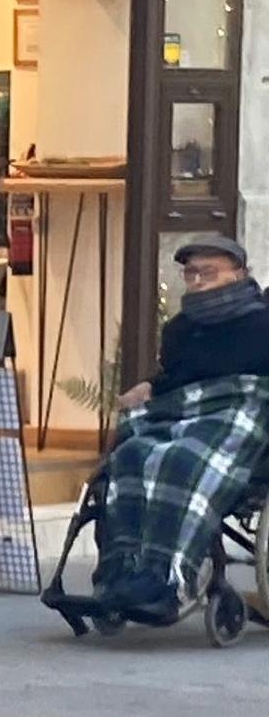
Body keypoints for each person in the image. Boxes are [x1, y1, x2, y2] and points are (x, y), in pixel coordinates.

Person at [99, 237, 269, 622]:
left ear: (239, 273)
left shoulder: (263, 321)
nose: (197, 281)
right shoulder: (179, 329)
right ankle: (123, 571)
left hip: (241, 412)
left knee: (180, 460)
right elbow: (175, 379)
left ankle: (166, 577)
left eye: (207, 272)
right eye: (191, 273)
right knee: (131, 454)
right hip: (186, 412)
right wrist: (151, 387)